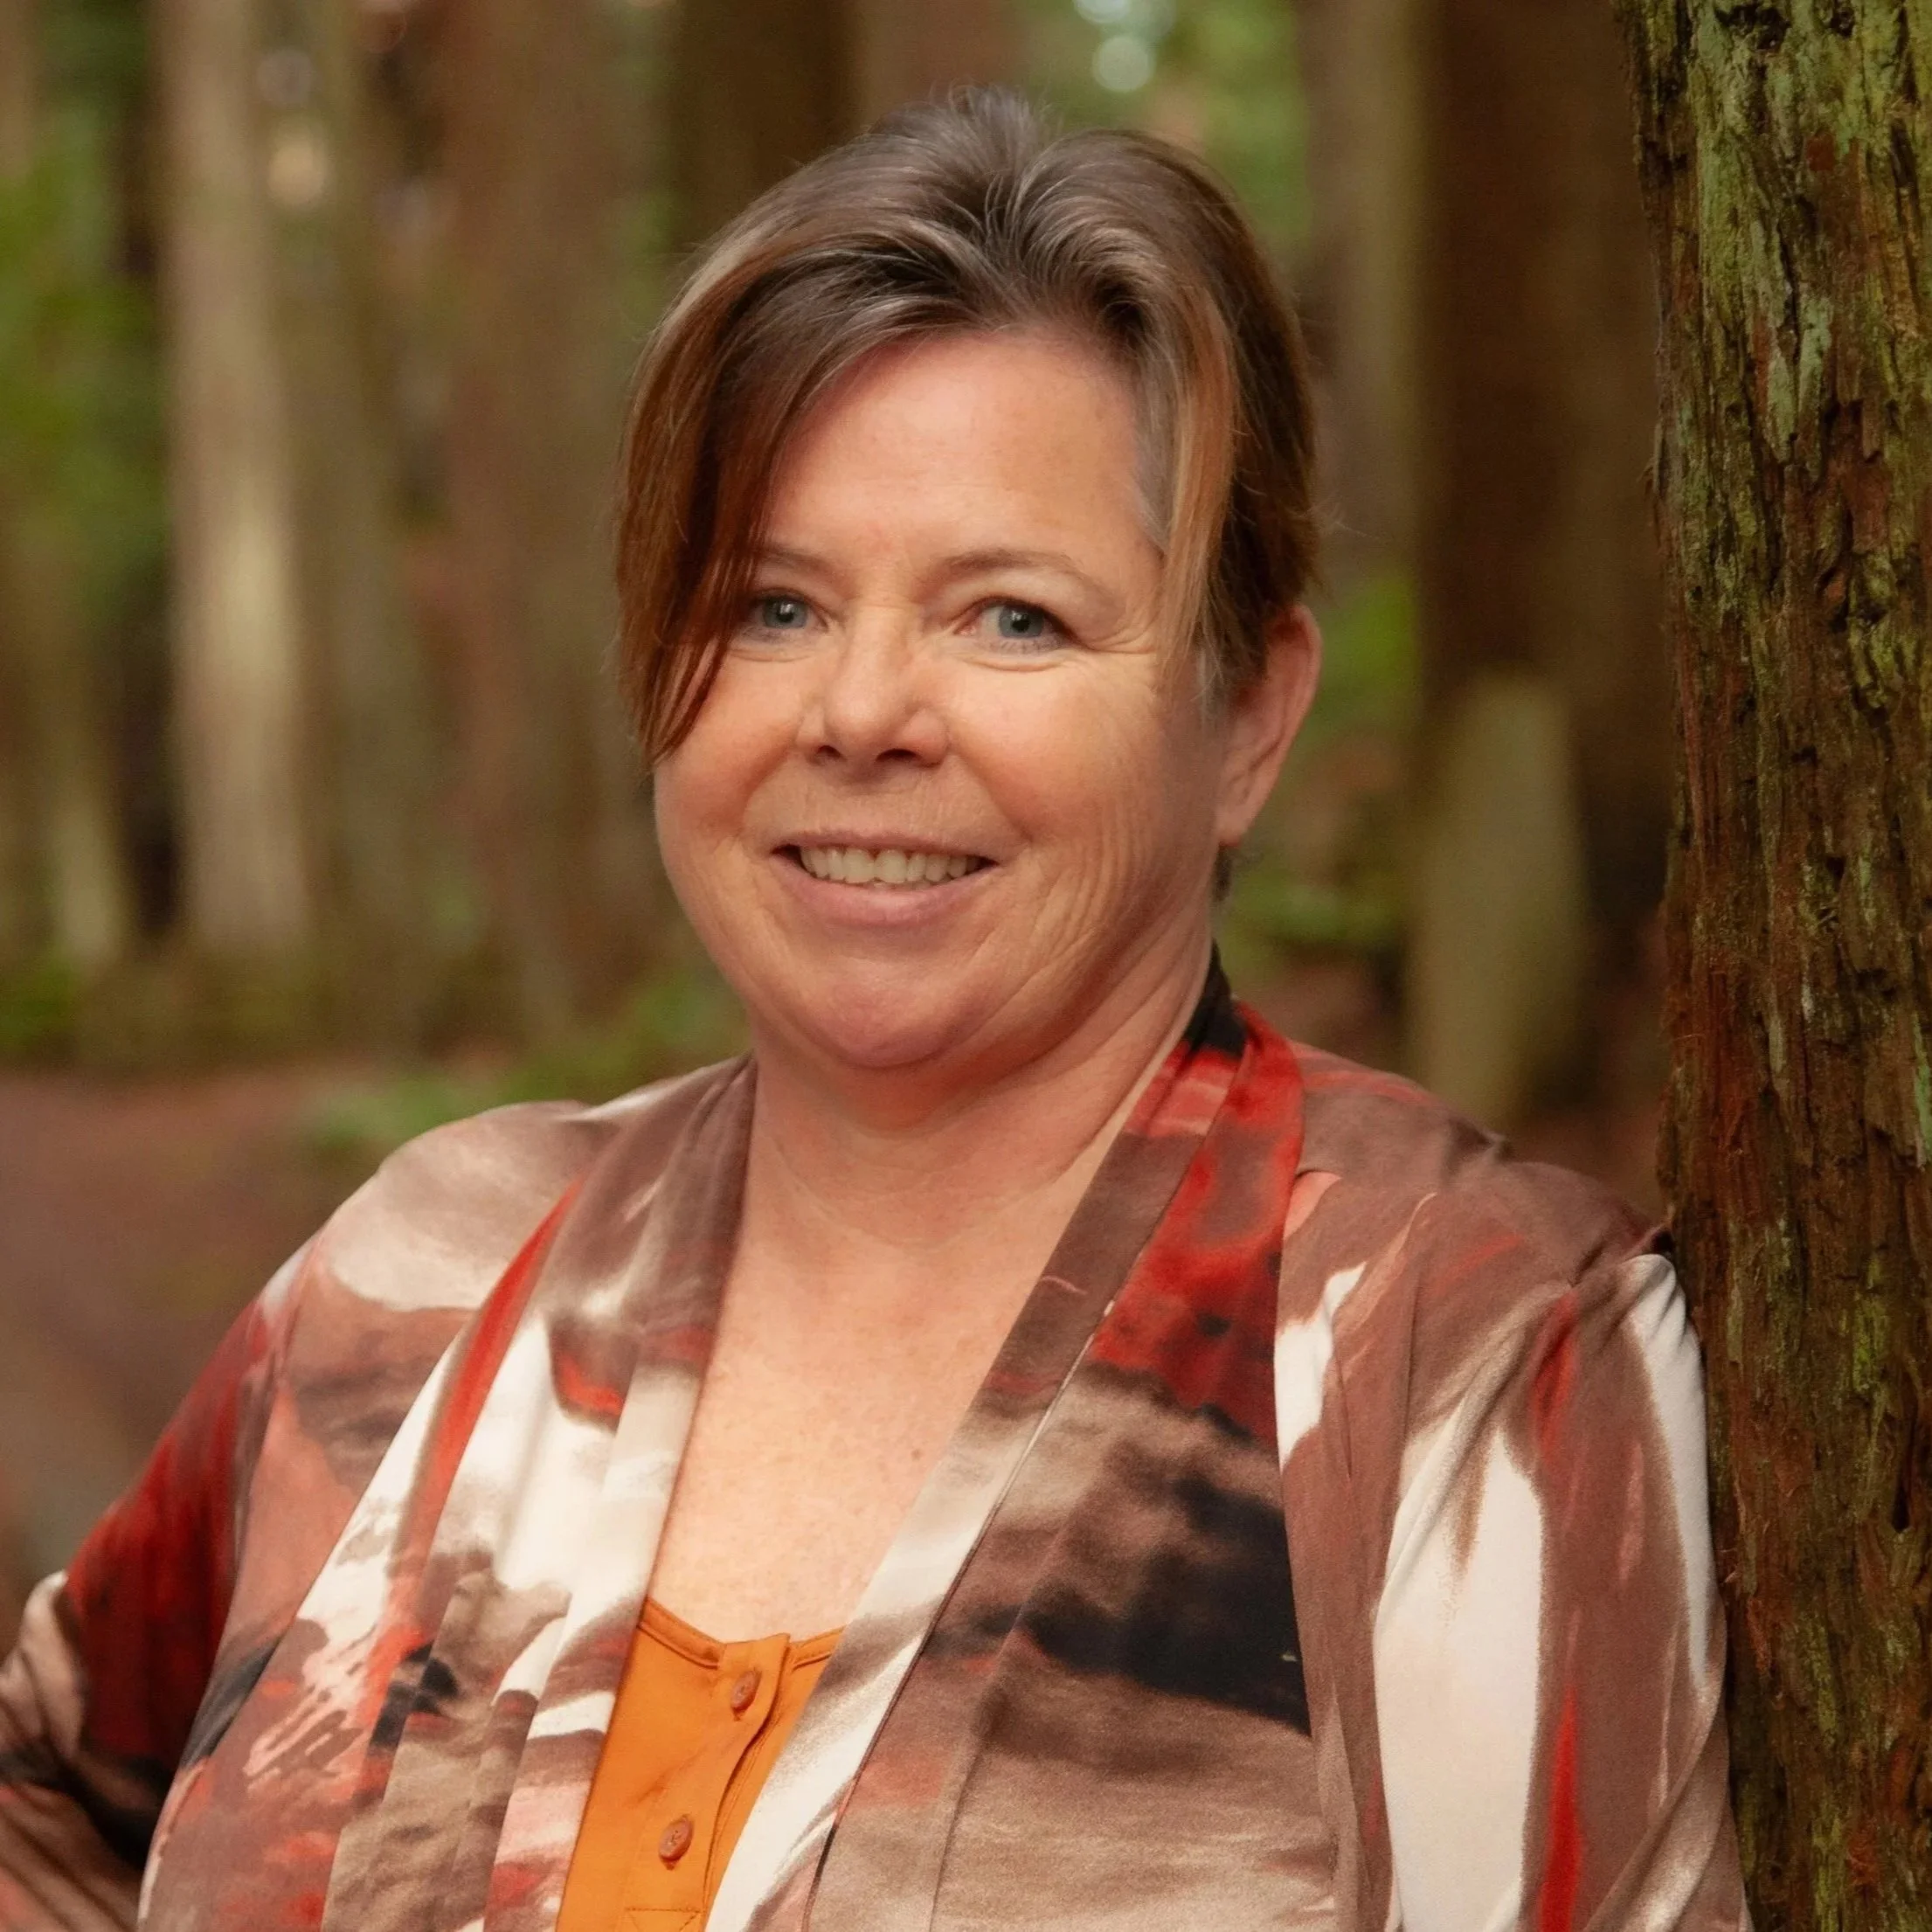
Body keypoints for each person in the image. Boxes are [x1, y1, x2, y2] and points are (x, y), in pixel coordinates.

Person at [0, 91, 1744, 1932]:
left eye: (1012, 619)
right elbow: (46, 1802)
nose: (860, 712)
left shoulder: (1456, 1360)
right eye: (772, 606)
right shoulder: (428, 1269)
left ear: (1245, 714)